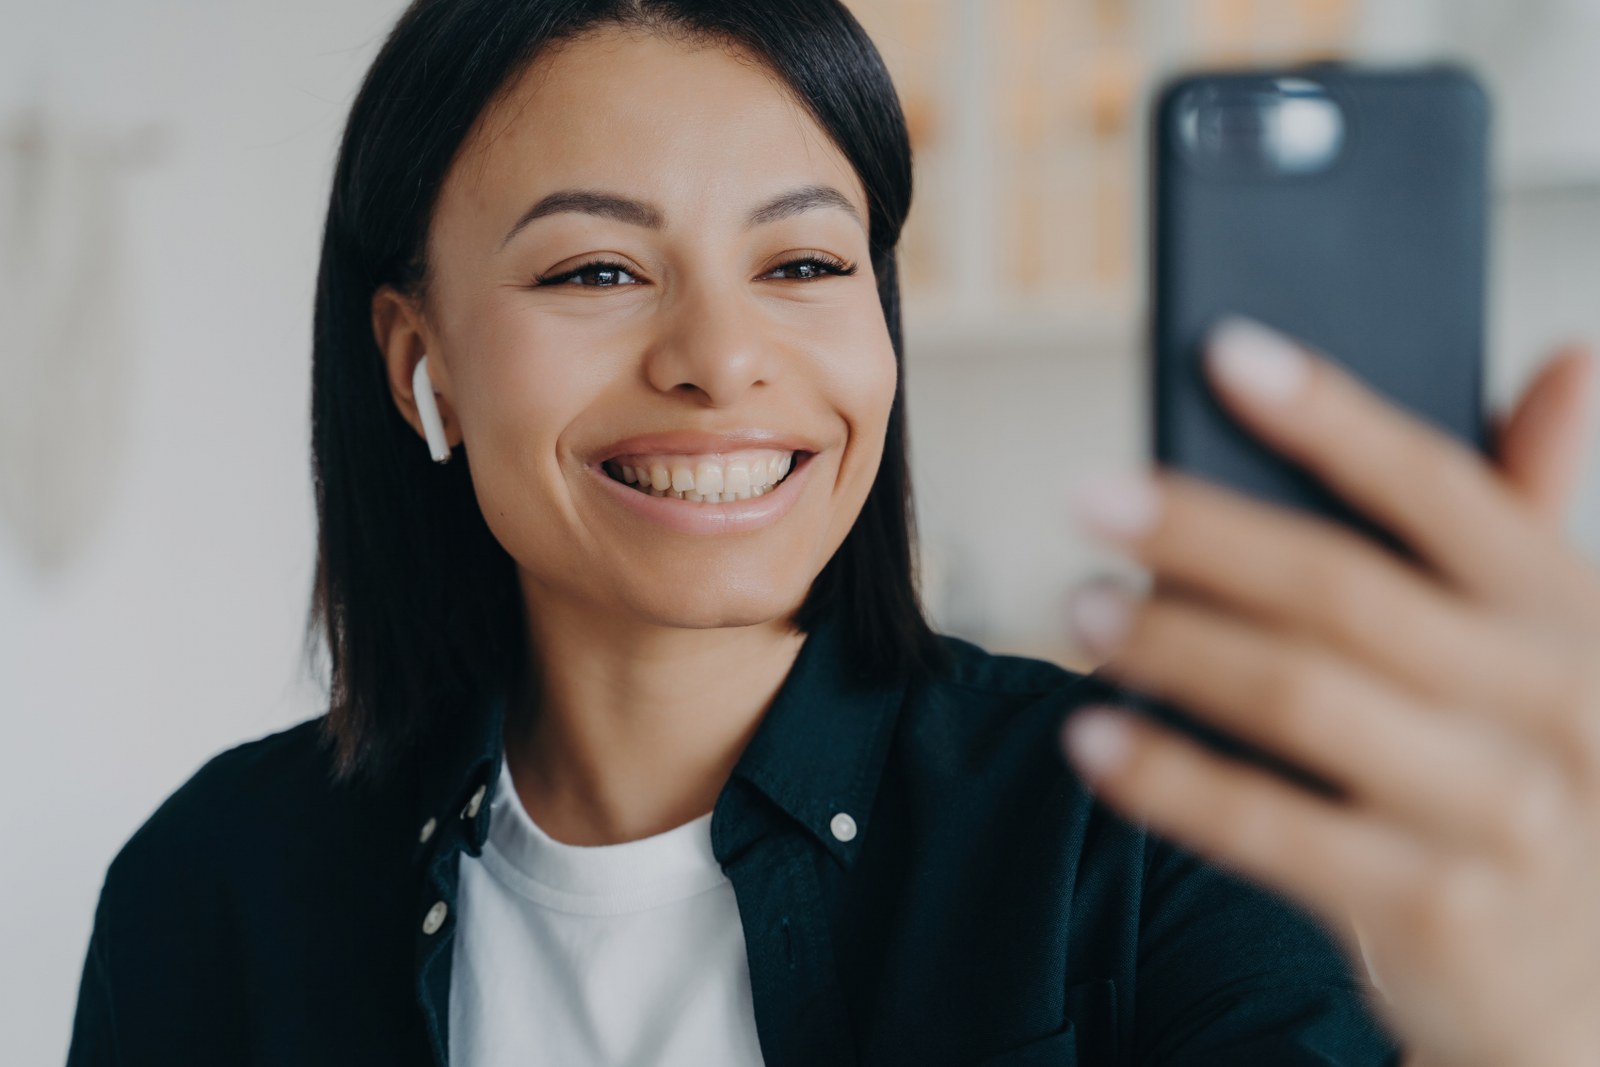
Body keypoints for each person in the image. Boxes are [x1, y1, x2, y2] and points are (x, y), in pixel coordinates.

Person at [63, 1, 1599, 1065]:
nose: (721, 359)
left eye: (804, 262)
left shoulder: (1136, 829)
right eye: (597, 272)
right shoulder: (213, 893)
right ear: (420, 358)